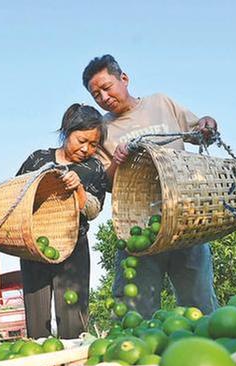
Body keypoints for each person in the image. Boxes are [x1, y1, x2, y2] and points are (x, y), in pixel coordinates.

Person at [82, 54, 220, 316]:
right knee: (135, 311)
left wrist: (208, 123)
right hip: (139, 227)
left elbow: (198, 132)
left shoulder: (160, 103)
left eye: (106, 87)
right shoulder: (102, 130)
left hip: (185, 218)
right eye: (96, 94)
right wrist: (117, 163)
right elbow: (107, 182)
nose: (103, 97)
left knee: (200, 305)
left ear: (124, 78)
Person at [15, 104, 108, 339]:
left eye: (94, 144)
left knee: (73, 322)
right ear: (67, 131)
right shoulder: (38, 159)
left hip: (72, 249)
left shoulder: (93, 167)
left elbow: (93, 210)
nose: (86, 149)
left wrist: (78, 188)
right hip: (34, 247)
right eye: (81, 140)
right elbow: (15, 194)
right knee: (37, 327)